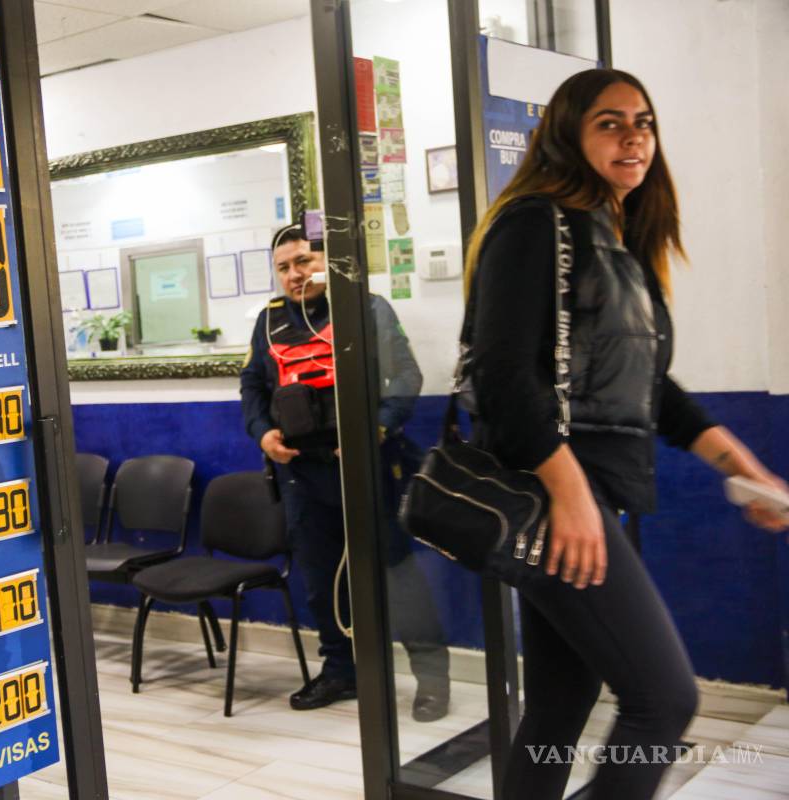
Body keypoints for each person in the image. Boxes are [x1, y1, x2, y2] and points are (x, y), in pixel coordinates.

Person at [461, 68, 789, 800]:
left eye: (643, 121)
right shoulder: (533, 222)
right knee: (664, 701)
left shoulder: (616, 238)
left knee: (557, 705)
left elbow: (652, 390)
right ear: (567, 135)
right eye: (610, 121)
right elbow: (504, 377)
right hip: (556, 494)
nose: (634, 135)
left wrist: (743, 468)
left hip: (590, 492)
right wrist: (571, 498)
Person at [240, 224, 450, 719]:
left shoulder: (367, 308)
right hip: (300, 475)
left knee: (398, 578)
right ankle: (340, 673)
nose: (296, 274)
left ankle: (432, 680)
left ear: (326, 262)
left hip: (368, 468)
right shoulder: (268, 322)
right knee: (319, 581)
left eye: (305, 261)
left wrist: (375, 429)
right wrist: (263, 433)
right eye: (285, 267)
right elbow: (252, 386)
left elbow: (406, 375)